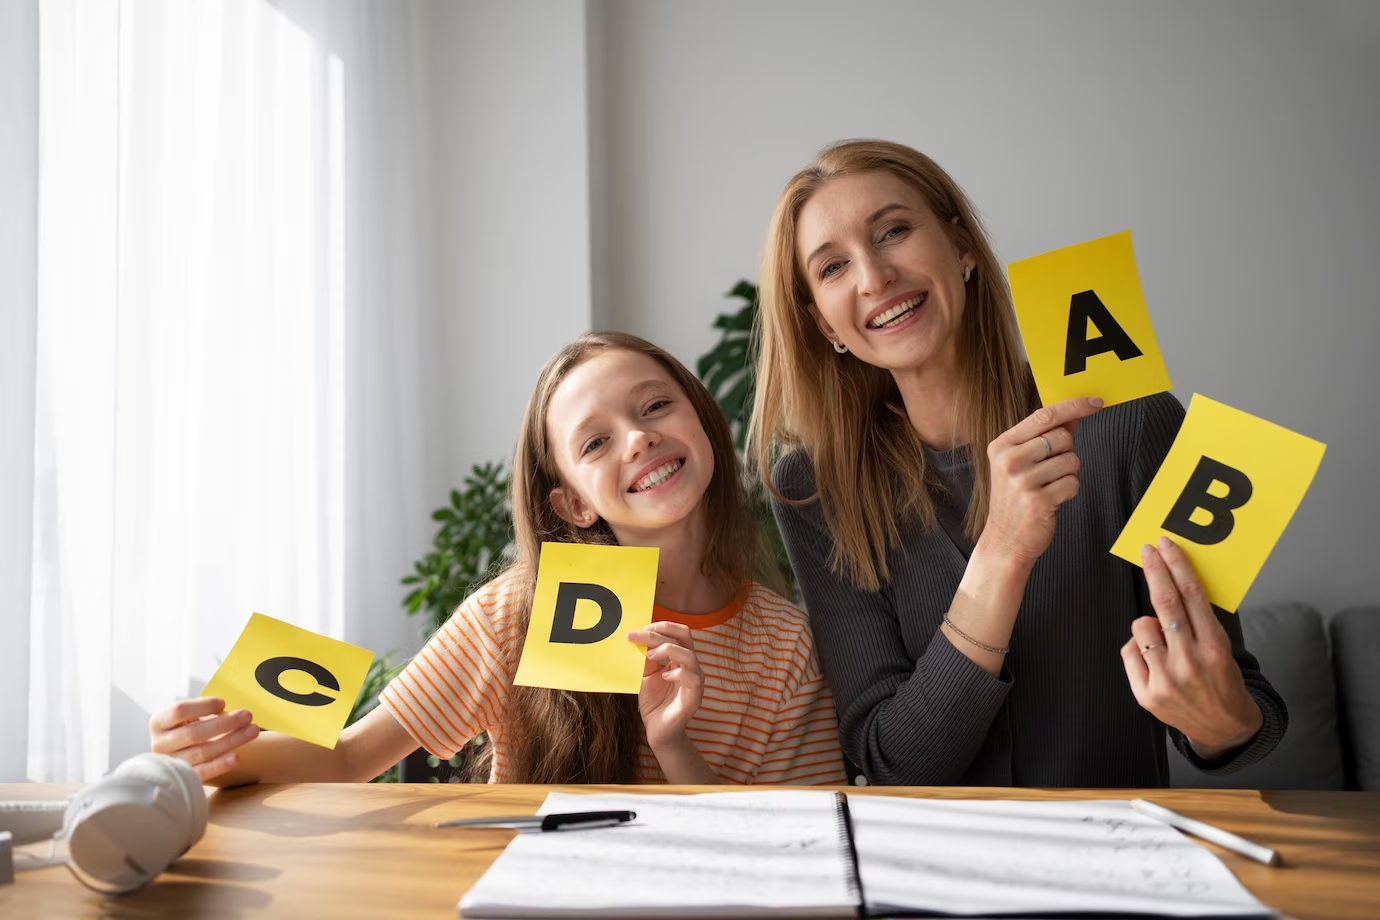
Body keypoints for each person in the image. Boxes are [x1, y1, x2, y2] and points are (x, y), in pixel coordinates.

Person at [749, 139, 1286, 787]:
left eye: (893, 231)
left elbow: (1243, 708)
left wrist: (1222, 721)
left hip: (1111, 863)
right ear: (823, 324)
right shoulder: (812, 489)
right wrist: (1002, 552)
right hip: (933, 876)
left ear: (962, 246)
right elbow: (890, 759)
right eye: (832, 267)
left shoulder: (1128, 418)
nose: (873, 277)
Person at [150, 332, 847, 786]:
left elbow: (791, 845)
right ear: (573, 506)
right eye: (595, 443)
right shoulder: (514, 612)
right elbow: (353, 754)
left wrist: (674, 745)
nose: (637, 439)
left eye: (656, 406)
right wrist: (210, 754)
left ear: (702, 424)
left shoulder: (784, 642)